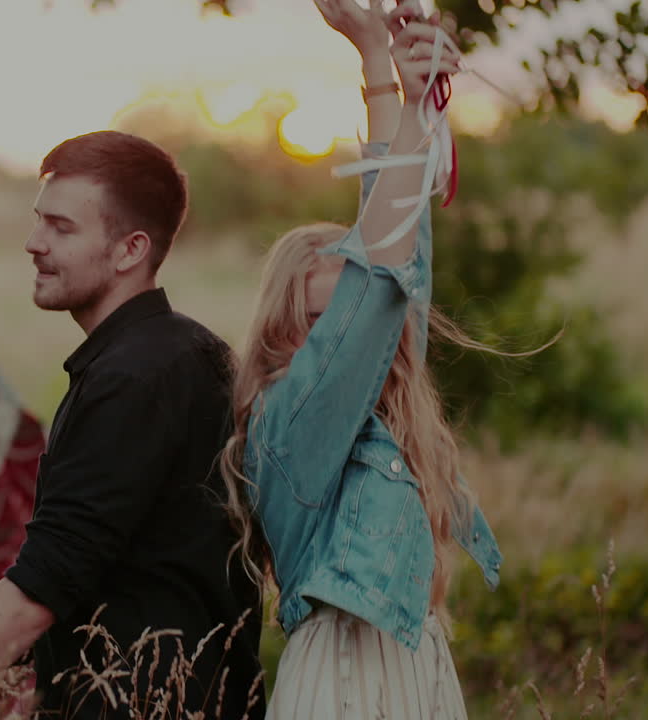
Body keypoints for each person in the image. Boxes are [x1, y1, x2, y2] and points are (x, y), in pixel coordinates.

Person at [0, 131, 265, 719]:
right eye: (39, 222)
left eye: (62, 228)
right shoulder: (186, 350)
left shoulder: (133, 378)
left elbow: (47, 580)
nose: (34, 244)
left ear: (130, 249)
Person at [219, 1, 505, 718]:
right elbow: (380, 282)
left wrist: (412, 90)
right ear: (281, 326)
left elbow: (398, 271)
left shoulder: (388, 406)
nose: (343, 343)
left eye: (351, 327)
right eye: (319, 325)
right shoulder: (283, 424)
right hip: (341, 679)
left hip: (419, 664)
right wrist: (383, 81)